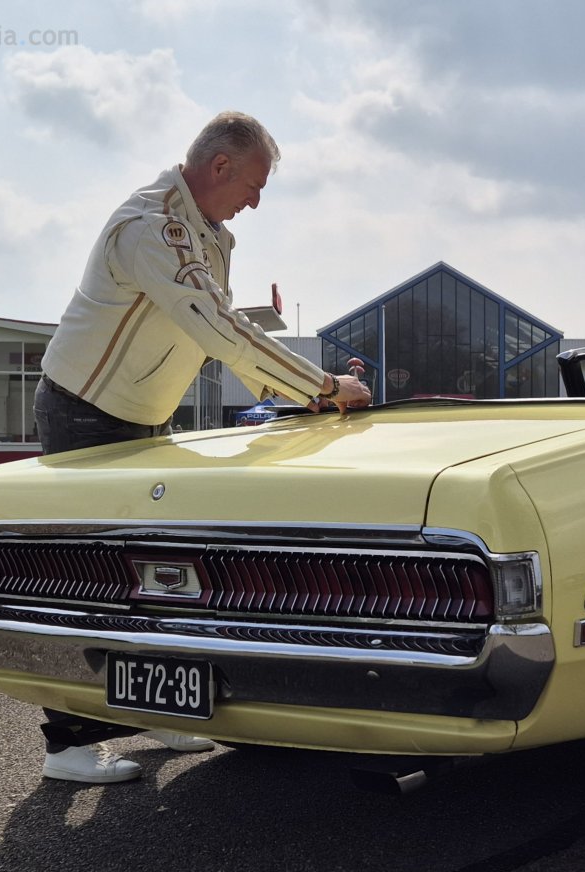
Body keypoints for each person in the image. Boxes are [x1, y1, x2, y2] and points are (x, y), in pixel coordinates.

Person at [33, 111, 371, 784]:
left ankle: (151, 706)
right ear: (220, 168)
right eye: (254, 185)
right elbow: (217, 328)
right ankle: (65, 744)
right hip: (86, 413)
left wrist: (303, 394)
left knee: (153, 578)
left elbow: (218, 326)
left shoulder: (202, 229)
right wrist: (324, 386)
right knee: (89, 583)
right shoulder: (153, 226)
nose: (255, 201)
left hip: (137, 417)